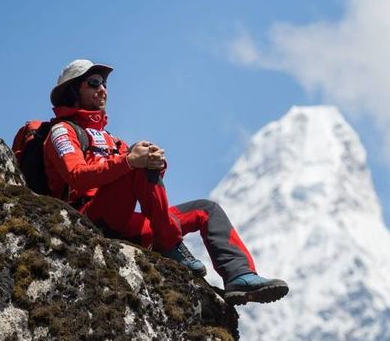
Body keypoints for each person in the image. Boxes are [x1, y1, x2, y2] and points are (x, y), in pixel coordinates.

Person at [43, 58, 288, 305]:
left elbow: (144, 182)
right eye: (93, 82)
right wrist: (130, 162)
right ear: (73, 91)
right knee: (135, 165)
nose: (102, 89)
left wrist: (156, 164)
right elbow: (76, 176)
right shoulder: (63, 131)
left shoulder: (111, 140)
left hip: (126, 223)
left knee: (206, 210)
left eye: (104, 83)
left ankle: (240, 276)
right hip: (87, 218)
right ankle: (170, 244)